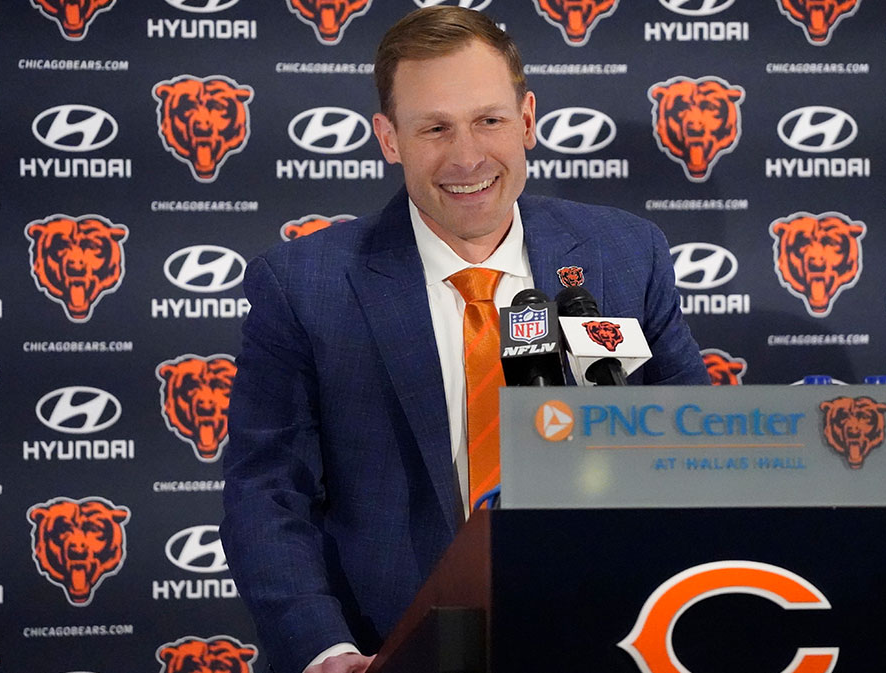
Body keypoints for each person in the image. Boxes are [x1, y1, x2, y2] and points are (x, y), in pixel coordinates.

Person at [221, 7, 709, 673]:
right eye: (434, 128)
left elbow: (698, 447)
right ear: (389, 138)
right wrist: (326, 650)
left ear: (528, 119)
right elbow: (268, 489)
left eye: (489, 119)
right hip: (396, 652)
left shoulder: (625, 254)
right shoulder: (305, 284)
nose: (468, 156)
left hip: (609, 639)